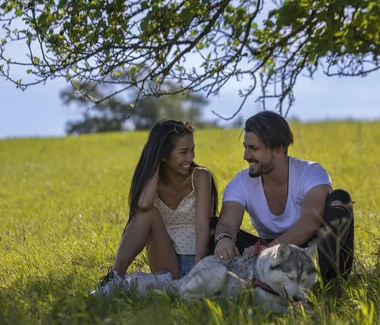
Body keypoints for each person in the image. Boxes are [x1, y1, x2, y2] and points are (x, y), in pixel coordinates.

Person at [211, 111, 354, 282]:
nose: (246, 156)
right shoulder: (240, 182)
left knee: (340, 199)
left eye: (254, 149)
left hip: (310, 251)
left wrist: (266, 251)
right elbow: (227, 223)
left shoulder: (311, 173)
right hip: (269, 251)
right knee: (212, 226)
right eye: (245, 147)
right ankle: (229, 283)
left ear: (279, 149)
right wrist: (223, 239)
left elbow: (311, 221)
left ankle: (316, 283)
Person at [93, 119, 218, 296]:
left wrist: (198, 263)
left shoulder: (200, 176)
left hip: (195, 259)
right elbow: (143, 205)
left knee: (156, 288)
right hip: (166, 262)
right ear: (164, 155)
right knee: (147, 213)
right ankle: (115, 278)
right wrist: (155, 168)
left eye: (192, 150)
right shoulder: (153, 182)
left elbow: (203, 225)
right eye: (183, 152)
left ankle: (148, 285)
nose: (190, 158)